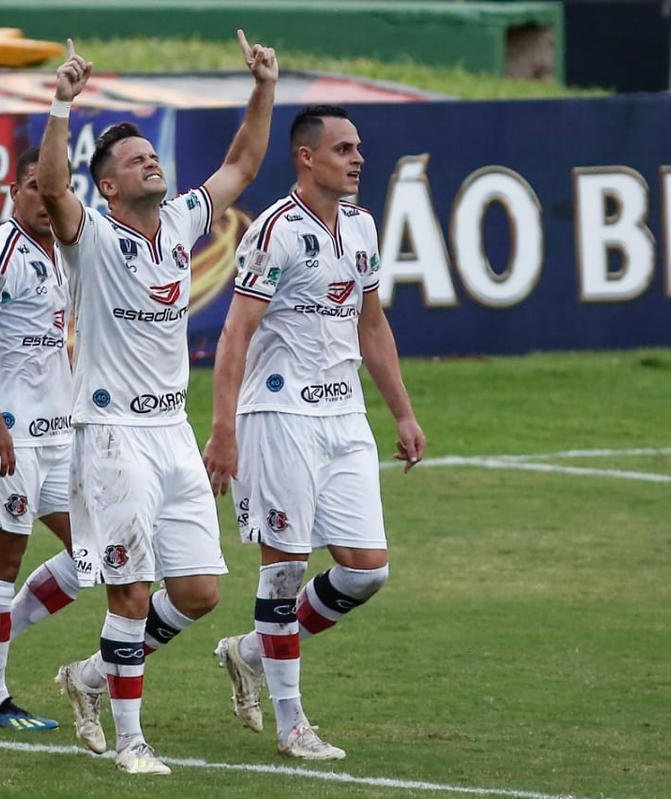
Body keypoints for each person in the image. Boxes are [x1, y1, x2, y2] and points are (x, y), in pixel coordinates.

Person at [36, 33, 278, 774]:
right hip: (111, 433)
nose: (151, 161)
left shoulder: (179, 223)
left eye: (153, 154)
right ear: (107, 185)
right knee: (131, 593)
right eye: (135, 159)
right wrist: (61, 104)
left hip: (171, 429)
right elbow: (52, 189)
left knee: (200, 591)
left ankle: (89, 677)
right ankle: (132, 742)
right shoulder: (90, 235)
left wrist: (263, 87)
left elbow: (240, 164)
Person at [203, 105, 427, 760]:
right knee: (285, 569)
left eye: (359, 148)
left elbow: (373, 325)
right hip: (277, 418)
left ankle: (248, 651)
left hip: (345, 416)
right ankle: (291, 721)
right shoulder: (273, 232)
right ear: (306, 157)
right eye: (344, 148)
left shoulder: (361, 226)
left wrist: (403, 412)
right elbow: (235, 334)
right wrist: (223, 428)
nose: (358, 158)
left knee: (367, 573)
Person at [0, 146, 91, 731]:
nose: (42, 198)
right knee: (2, 562)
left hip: (57, 434)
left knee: (94, 553)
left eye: (51, 187)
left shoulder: (60, 251)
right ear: (14, 190)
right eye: (32, 186)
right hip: (5, 437)